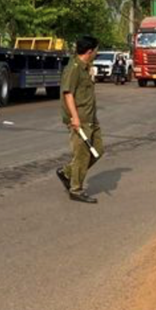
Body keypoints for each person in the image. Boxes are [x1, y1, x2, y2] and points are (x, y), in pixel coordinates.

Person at [57, 35, 105, 204]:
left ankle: (68, 172)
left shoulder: (86, 67)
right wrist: (75, 118)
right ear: (90, 51)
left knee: (98, 150)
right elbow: (67, 94)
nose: (97, 54)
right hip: (80, 119)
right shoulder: (74, 68)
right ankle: (76, 189)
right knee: (82, 155)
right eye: (96, 51)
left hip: (91, 117)